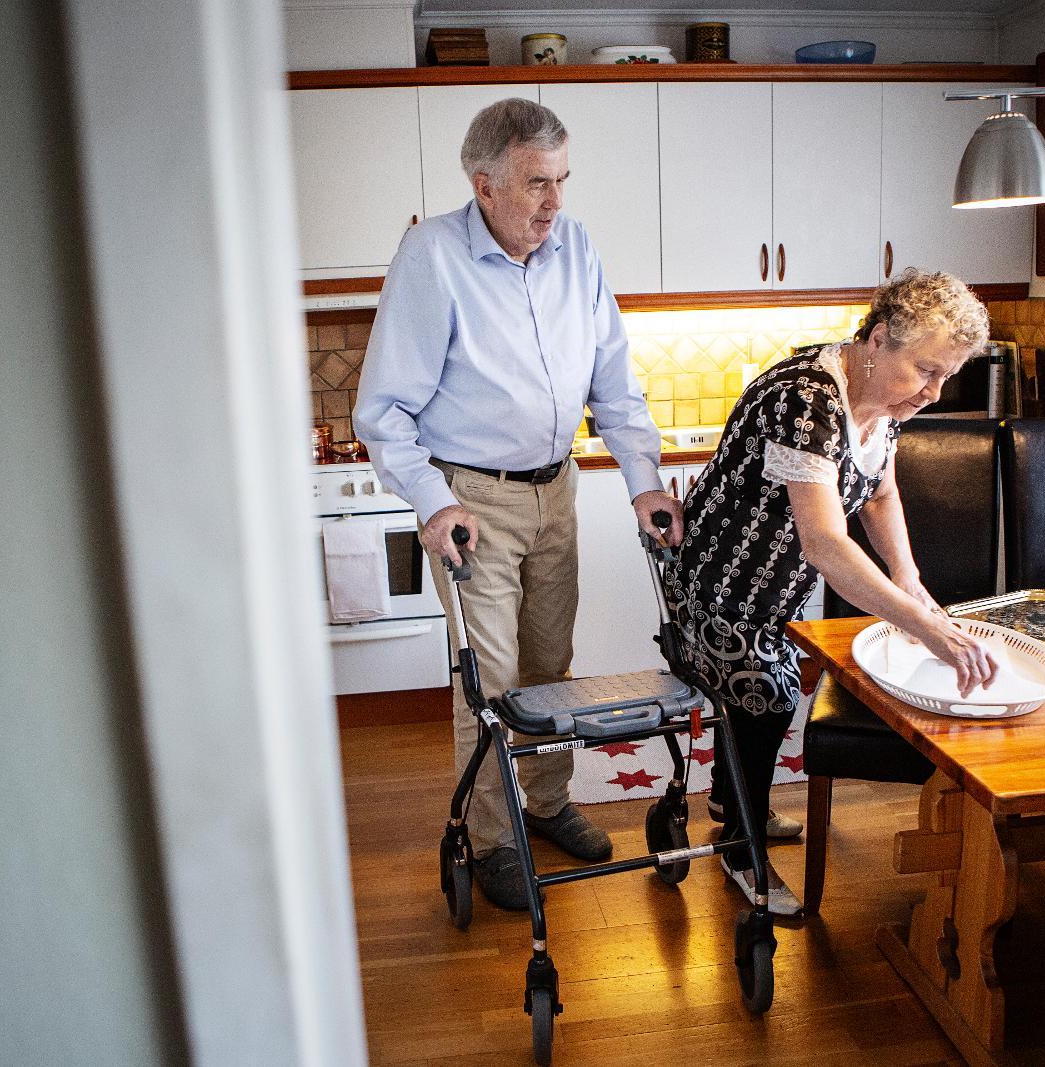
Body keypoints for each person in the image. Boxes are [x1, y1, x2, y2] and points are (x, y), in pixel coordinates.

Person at [353, 98, 684, 910]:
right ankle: (494, 838)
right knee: (492, 683)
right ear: (485, 184)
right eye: (537, 183)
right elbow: (383, 411)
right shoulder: (431, 256)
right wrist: (432, 500)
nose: (554, 203)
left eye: (562, 180)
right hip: (471, 501)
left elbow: (614, 378)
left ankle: (546, 802)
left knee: (549, 667)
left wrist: (643, 477)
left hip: (556, 489)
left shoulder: (575, 248)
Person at [665, 268, 1000, 916]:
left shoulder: (883, 401)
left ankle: (730, 801)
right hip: (717, 582)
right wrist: (927, 627)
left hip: (775, 589)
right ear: (876, 341)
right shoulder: (808, 399)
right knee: (766, 695)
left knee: (771, 693)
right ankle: (742, 848)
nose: (932, 392)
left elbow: (880, 492)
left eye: (945, 376)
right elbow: (824, 541)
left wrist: (910, 578)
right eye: (925, 371)